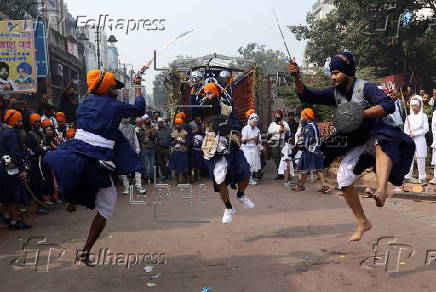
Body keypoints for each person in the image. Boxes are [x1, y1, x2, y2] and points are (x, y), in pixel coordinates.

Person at [288, 52, 415, 241]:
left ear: (348, 72)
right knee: (343, 178)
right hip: (357, 139)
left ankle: (381, 191)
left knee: (383, 141)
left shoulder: (366, 87)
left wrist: (360, 113)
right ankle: (363, 222)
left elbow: (388, 105)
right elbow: (306, 95)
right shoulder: (334, 92)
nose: (332, 77)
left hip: (379, 131)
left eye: (336, 73)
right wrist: (297, 77)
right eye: (331, 73)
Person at [44, 70, 145, 266]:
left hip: (77, 149)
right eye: (114, 87)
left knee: (72, 171)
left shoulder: (85, 104)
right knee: (107, 204)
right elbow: (139, 109)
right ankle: (85, 251)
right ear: (108, 89)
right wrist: (138, 86)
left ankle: (71, 198)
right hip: (98, 155)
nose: (116, 90)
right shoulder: (114, 106)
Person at [200, 82, 255, 224]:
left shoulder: (228, 109)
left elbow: (236, 125)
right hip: (213, 148)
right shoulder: (203, 108)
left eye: (210, 92)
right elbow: (196, 111)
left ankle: (241, 195)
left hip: (230, 145)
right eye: (206, 93)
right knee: (220, 180)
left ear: (216, 93)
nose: (207, 95)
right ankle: (228, 208)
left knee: (245, 171)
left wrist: (229, 131)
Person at [0, 109, 31, 229]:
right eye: (19, 121)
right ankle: (15, 221)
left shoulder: (3, 132)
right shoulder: (12, 134)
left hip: (3, 168)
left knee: (6, 193)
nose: (21, 124)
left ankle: (8, 216)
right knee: (14, 195)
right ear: (13, 122)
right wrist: (22, 170)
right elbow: (16, 154)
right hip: (11, 170)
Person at [290, 108, 331, 193]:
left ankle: (300, 187)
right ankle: (325, 186)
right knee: (318, 168)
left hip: (309, 151)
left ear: (306, 117)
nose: (301, 118)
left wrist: (303, 144)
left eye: (302, 116)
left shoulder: (308, 126)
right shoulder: (315, 125)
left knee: (304, 168)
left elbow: (309, 139)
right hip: (316, 149)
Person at [25, 113, 51, 214]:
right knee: (37, 184)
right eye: (36, 122)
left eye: (39, 121)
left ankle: (45, 202)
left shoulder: (41, 133)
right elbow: (33, 150)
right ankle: (39, 206)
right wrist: (44, 148)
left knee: (45, 182)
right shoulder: (30, 135)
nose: (38, 123)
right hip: (35, 162)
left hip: (43, 160)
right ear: (32, 123)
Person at [404, 97, 429, 184]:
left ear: (419, 106)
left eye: (415, 105)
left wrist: (416, 133)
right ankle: (407, 176)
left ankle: (422, 177)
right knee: (409, 158)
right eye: (412, 105)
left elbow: (426, 129)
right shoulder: (408, 117)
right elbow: (405, 129)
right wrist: (408, 134)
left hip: (420, 139)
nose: (414, 107)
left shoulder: (424, 116)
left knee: (420, 158)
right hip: (410, 140)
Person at [119, 118, 146, 195]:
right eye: (125, 117)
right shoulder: (117, 127)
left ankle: (138, 187)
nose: (127, 118)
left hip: (132, 150)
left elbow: (135, 138)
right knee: (123, 171)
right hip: (122, 151)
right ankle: (126, 188)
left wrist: (137, 149)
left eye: (128, 117)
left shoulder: (132, 127)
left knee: (138, 168)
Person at [240, 112, 262, 185]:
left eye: (256, 123)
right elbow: (243, 139)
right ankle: (247, 179)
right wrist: (252, 138)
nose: (255, 124)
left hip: (254, 148)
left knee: (254, 164)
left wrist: (257, 140)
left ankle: (250, 177)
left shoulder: (257, 129)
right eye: (254, 122)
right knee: (248, 163)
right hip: (247, 149)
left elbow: (259, 140)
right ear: (250, 121)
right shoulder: (246, 128)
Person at [268, 110, 290, 179]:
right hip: (274, 141)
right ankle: (279, 173)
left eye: (278, 115)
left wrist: (283, 126)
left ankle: (284, 173)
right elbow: (269, 131)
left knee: (282, 156)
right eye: (276, 115)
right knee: (276, 156)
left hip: (282, 141)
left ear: (281, 116)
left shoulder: (284, 123)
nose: (277, 116)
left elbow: (288, 130)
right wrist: (278, 131)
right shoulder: (272, 124)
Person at [168, 118, 191, 184]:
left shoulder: (186, 133)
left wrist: (182, 142)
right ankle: (177, 181)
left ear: (182, 125)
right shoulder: (173, 133)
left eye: (179, 124)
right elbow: (170, 143)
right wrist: (175, 141)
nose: (177, 125)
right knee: (176, 168)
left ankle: (185, 181)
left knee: (184, 167)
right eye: (176, 124)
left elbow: (189, 143)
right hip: (176, 152)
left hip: (183, 152)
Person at [136, 114, 157, 184]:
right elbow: (140, 138)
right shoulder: (141, 128)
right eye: (147, 119)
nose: (148, 120)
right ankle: (146, 177)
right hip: (144, 148)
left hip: (152, 148)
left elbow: (154, 136)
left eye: (149, 119)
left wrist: (151, 132)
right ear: (144, 121)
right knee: (145, 163)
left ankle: (151, 177)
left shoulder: (153, 127)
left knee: (152, 163)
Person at [189, 114, 205, 182]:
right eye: (198, 117)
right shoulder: (191, 124)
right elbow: (189, 133)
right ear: (195, 117)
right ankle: (192, 176)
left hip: (200, 147)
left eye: (200, 118)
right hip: (193, 148)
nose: (199, 118)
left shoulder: (202, 123)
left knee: (199, 163)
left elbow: (204, 132)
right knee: (193, 164)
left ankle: (198, 175)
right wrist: (195, 131)